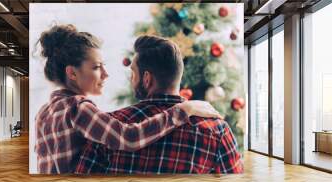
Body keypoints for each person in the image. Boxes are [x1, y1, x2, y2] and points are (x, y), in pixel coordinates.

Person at [35, 25, 222, 174]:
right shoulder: (79, 109)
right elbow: (130, 137)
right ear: (72, 73)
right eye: (97, 67)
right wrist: (184, 110)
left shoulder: (43, 113)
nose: (106, 74)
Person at [75, 35, 243, 174]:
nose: (131, 79)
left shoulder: (110, 126)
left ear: (146, 79)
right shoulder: (216, 129)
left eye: (133, 72)